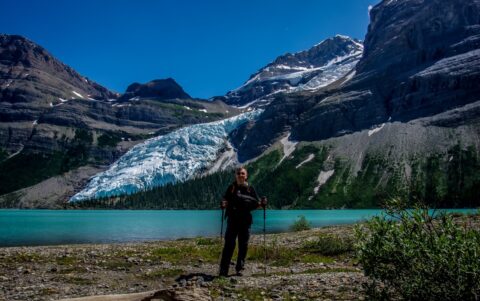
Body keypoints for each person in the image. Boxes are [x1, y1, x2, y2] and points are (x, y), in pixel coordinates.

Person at [219, 166, 267, 277]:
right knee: (229, 245)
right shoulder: (231, 188)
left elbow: (256, 204)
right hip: (232, 220)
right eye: (238, 173)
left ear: (246, 176)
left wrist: (263, 204)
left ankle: (239, 268)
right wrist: (223, 204)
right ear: (235, 175)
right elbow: (224, 200)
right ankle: (223, 270)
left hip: (246, 221)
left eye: (242, 173)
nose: (240, 175)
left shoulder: (250, 188)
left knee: (243, 245)